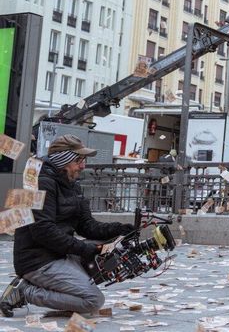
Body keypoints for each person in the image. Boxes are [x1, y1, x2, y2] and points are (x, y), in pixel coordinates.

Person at [0, 135, 136, 316]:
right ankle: (26, 292)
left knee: (108, 252)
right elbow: (43, 231)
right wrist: (86, 249)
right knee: (93, 301)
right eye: (78, 161)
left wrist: (120, 229)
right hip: (37, 260)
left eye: (84, 160)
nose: (83, 166)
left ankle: (52, 284)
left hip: (58, 253)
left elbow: (87, 226)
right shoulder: (39, 183)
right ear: (62, 161)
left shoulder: (72, 184)